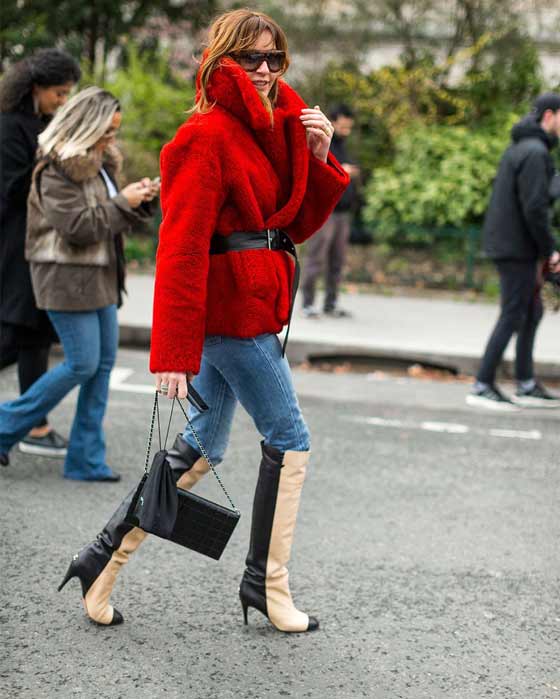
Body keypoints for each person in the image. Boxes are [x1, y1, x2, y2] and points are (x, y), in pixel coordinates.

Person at [58, 9, 349, 631]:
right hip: (230, 314)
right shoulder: (205, 136)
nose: (266, 70)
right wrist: (171, 352)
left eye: (275, 58)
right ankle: (266, 587)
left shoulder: (275, 130)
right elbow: (180, 245)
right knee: (290, 439)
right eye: (251, 59)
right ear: (222, 62)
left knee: (202, 446)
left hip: (252, 303)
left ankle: (99, 560)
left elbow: (289, 226)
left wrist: (319, 156)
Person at [0, 87, 159, 475]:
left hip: (100, 275)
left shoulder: (101, 164)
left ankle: (86, 457)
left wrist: (137, 200)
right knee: (83, 363)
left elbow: (106, 217)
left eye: (114, 132)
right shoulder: (55, 169)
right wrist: (124, 202)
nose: (111, 140)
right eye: (107, 131)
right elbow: (77, 227)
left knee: (101, 365)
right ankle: (5, 425)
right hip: (64, 278)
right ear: (86, 126)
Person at [0, 48, 81, 457]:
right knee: (17, 333)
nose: (63, 102)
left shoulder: (45, 123)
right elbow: (11, 190)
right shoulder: (10, 126)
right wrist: (48, 161)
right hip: (14, 244)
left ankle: (34, 424)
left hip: (39, 243)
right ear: (36, 88)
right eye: (59, 94)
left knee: (32, 334)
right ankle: (27, 422)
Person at [467, 93, 560, 410]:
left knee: (530, 312)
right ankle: (482, 384)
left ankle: (526, 382)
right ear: (550, 115)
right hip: (516, 247)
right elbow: (535, 208)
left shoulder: (524, 147)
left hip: (513, 243)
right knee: (514, 313)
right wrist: (551, 250)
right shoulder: (534, 152)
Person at [301, 103, 360, 318]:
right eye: (343, 127)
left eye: (349, 128)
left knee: (337, 260)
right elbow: (316, 169)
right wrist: (341, 170)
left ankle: (331, 303)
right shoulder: (322, 142)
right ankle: (308, 303)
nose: (346, 131)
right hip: (325, 212)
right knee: (316, 257)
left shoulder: (344, 146)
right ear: (333, 122)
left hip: (343, 212)